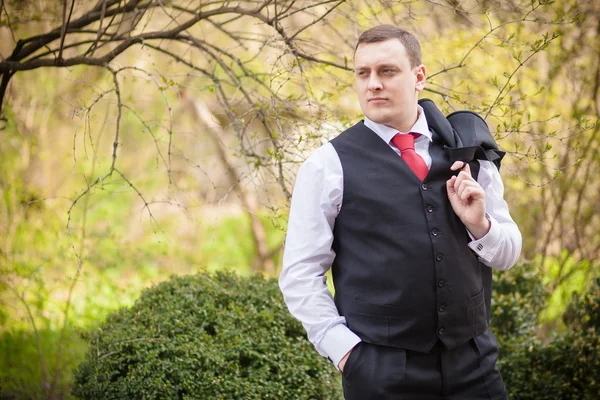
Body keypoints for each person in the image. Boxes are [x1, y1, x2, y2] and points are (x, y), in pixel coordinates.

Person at [278, 24, 522, 399]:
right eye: (363, 73)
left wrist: (480, 225)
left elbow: (508, 254)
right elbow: (299, 273)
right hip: (381, 374)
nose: (373, 83)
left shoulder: (467, 150)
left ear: (418, 76)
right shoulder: (327, 165)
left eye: (386, 71)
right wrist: (345, 352)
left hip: (474, 366)